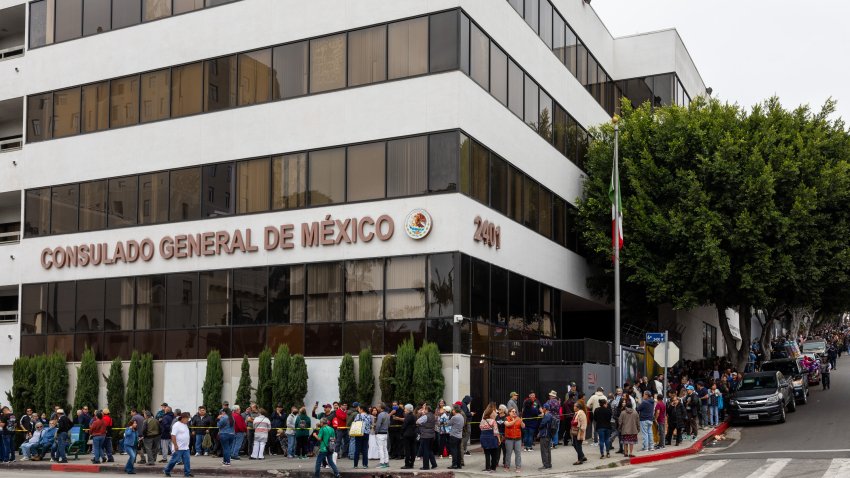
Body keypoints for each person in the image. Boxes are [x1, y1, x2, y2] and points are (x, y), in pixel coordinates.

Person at [163, 412, 191, 478]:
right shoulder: (176, 425)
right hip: (178, 447)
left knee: (187, 461)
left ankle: (187, 473)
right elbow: (173, 435)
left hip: (186, 447)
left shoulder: (185, 424)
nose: (188, 420)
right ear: (183, 418)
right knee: (174, 461)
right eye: (187, 419)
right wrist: (175, 445)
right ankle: (167, 470)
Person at [479, 405, 500, 472]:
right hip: (492, 438)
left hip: (483, 437)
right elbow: (496, 432)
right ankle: (493, 468)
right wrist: (499, 439)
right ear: (490, 413)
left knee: (487, 453)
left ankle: (487, 467)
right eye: (493, 412)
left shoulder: (482, 421)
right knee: (494, 454)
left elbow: (480, 428)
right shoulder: (493, 421)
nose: (495, 414)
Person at [416, 404, 437, 471]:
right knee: (430, 450)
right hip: (432, 435)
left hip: (425, 435)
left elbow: (417, 421)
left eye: (424, 409)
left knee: (426, 451)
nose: (423, 410)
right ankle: (434, 464)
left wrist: (421, 414)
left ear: (427, 410)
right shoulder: (433, 416)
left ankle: (426, 466)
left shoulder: (425, 416)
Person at [503, 407, 523, 472]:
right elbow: (508, 424)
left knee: (518, 453)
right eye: (512, 411)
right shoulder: (506, 418)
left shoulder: (518, 418)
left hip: (518, 439)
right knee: (508, 453)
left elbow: (523, 426)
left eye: (515, 411)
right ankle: (507, 466)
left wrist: (521, 421)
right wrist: (515, 420)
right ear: (509, 412)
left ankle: (518, 467)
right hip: (509, 439)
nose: (514, 412)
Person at [352, 404, 372, 469]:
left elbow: (354, 422)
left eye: (359, 409)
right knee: (365, 449)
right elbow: (370, 424)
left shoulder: (358, 415)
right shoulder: (369, 416)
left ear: (362, 409)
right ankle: (365, 465)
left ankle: (355, 465)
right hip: (366, 434)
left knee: (357, 449)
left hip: (359, 433)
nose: (358, 410)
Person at [536, 404, 554, 470]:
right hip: (548, 435)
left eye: (543, 408)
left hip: (544, 435)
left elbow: (542, 424)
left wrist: (539, 430)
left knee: (544, 451)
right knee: (548, 450)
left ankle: (546, 465)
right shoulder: (550, 415)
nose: (542, 409)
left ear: (545, 408)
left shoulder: (546, 416)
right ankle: (549, 464)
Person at [400, 404, 416, 469]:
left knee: (407, 450)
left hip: (407, 435)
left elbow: (404, 425)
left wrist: (401, 433)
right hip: (413, 434)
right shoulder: (414, 416)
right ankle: (411, 463)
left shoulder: (408, 416)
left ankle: (407, 464)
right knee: (412, 449)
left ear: (408, 409)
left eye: (405, 409)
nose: (404, 410)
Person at [375, 403, 390, 468]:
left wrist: (376, 431)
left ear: (381, 408)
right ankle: (386, 462)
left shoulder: (380, 415)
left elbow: (378, 424)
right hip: (385, 433)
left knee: (380, 449)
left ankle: (382, 463)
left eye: (378, 406)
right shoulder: (387, 414)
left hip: (380, 433)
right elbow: (389, 424)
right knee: (385, 449)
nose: (377, 408)